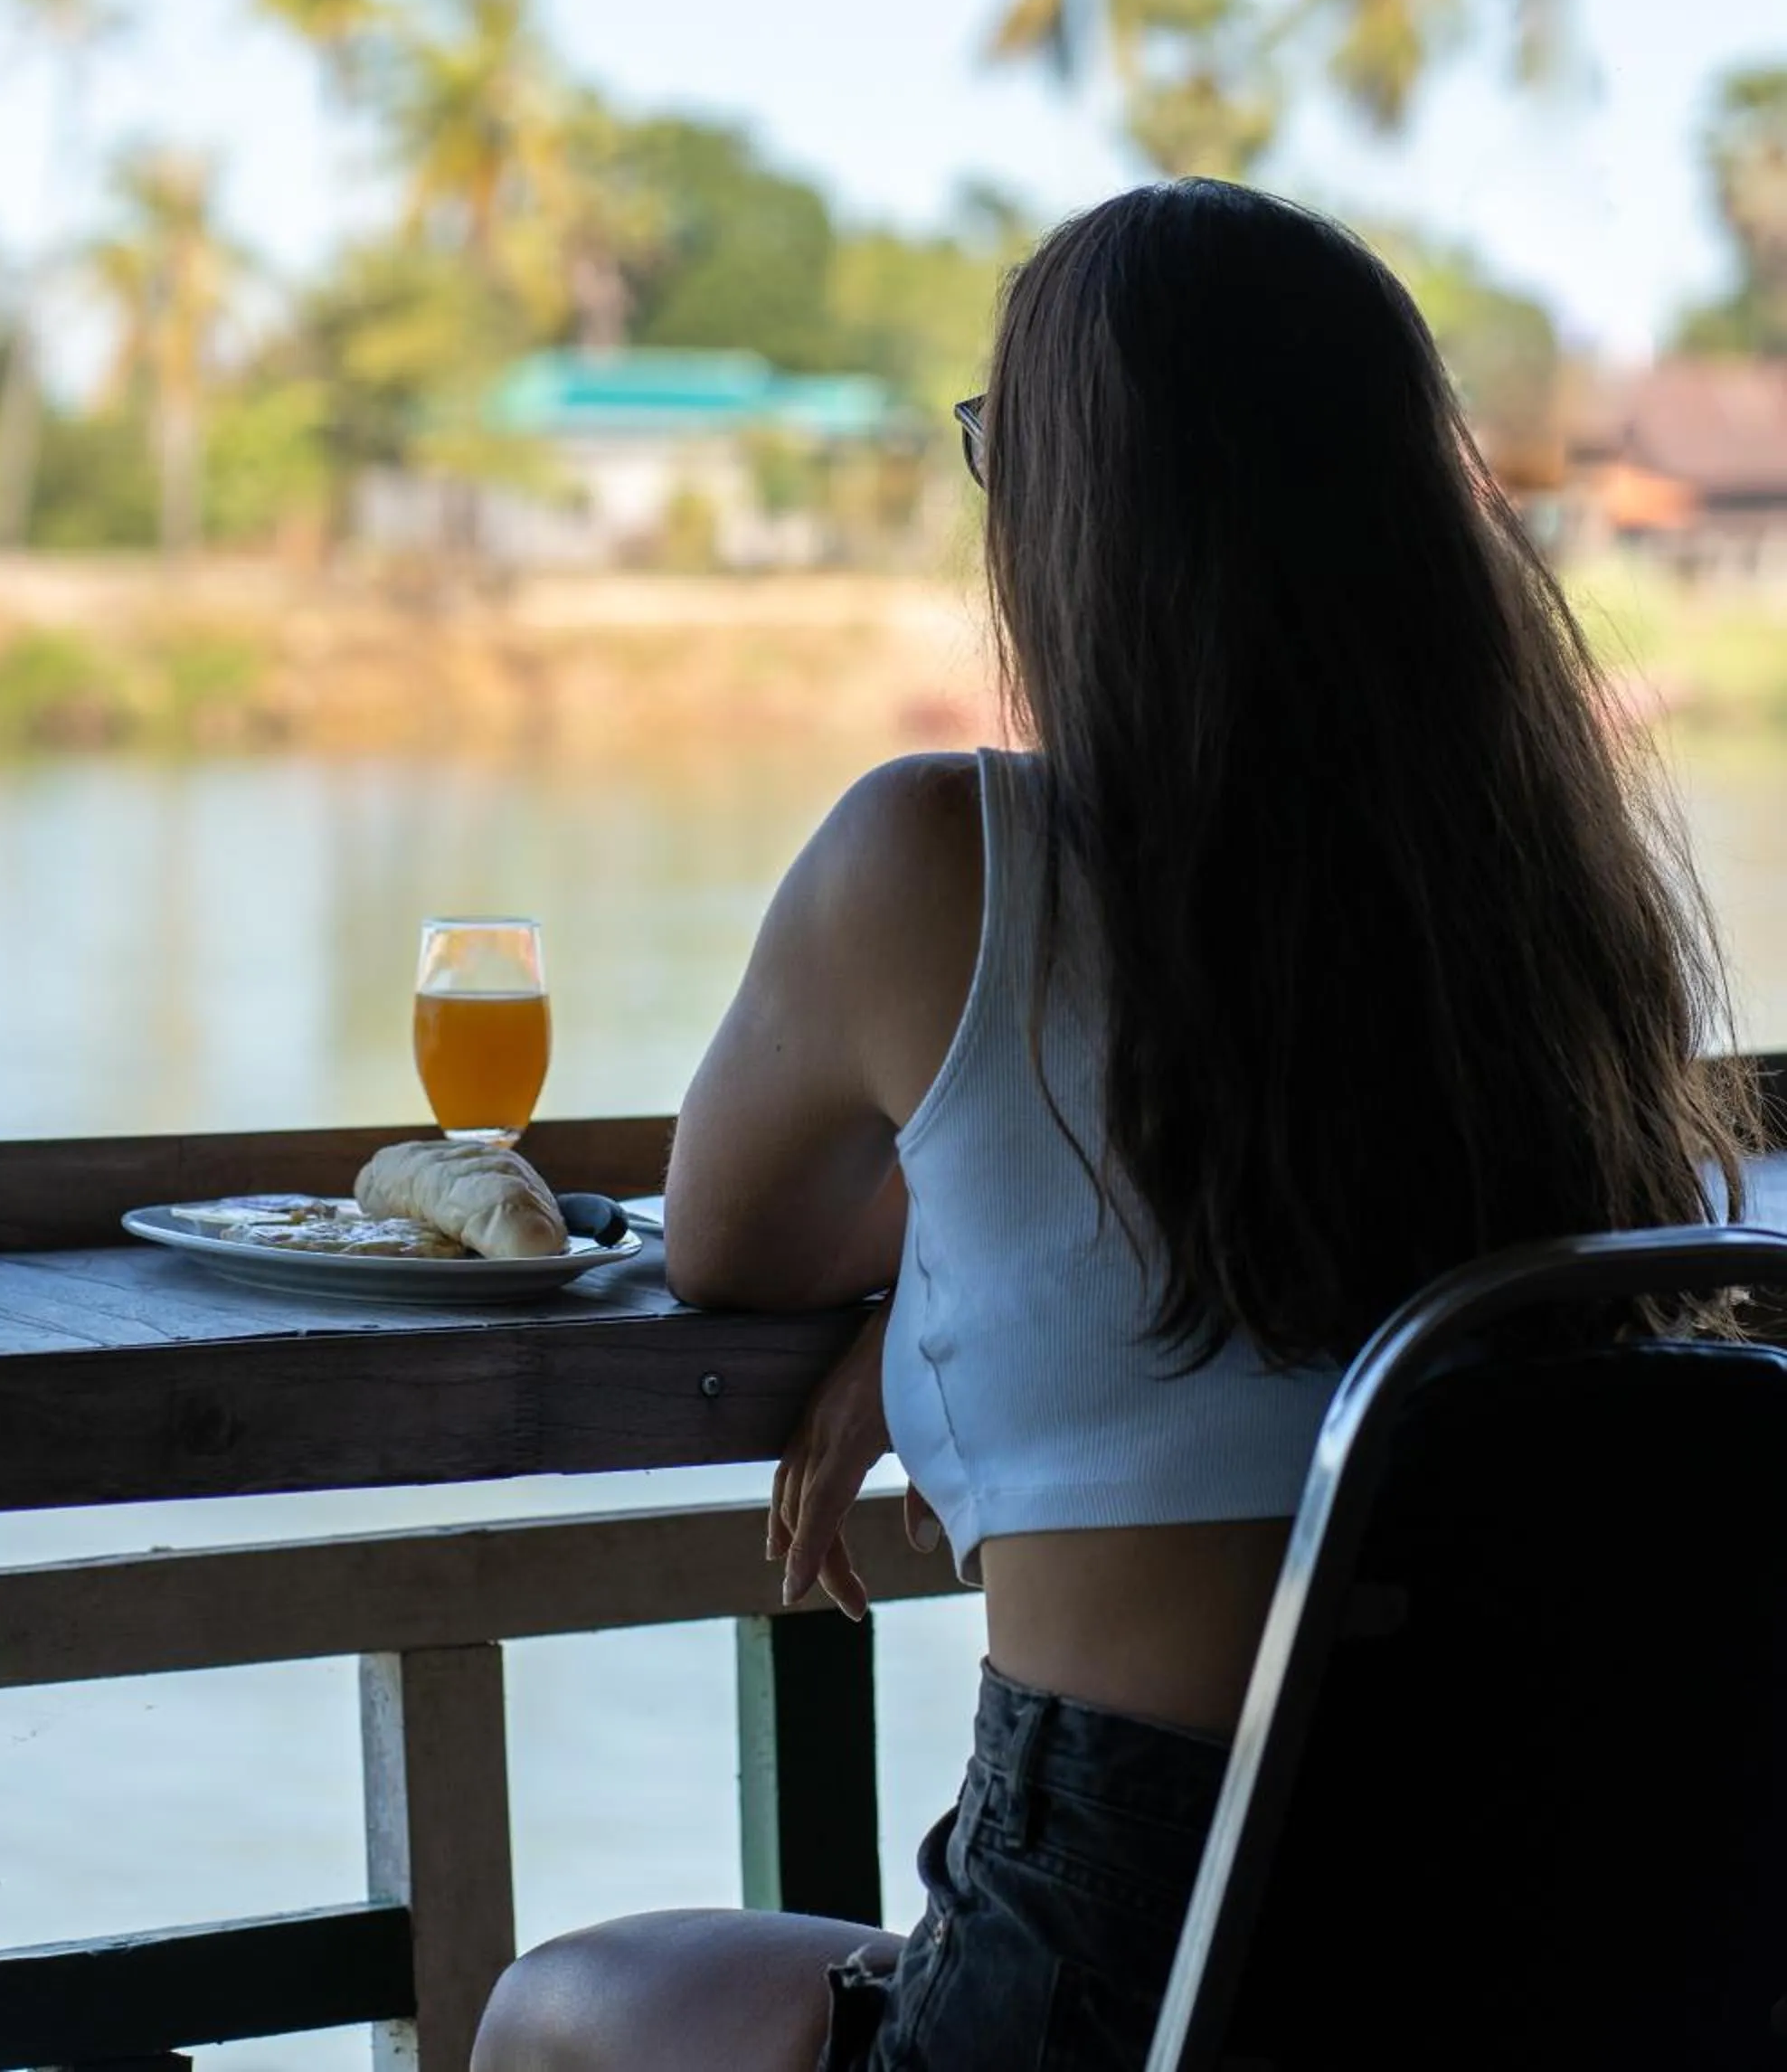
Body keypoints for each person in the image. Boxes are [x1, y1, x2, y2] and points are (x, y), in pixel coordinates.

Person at [473, 179, 1752, 2072]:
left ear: (1075, 518)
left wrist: (903, 1307)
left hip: (1132, 1972)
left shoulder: (936, 858)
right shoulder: (1555, 923)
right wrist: (960, 1281)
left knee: (550, 2011)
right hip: (1561, 1948)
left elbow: (727, 1242)